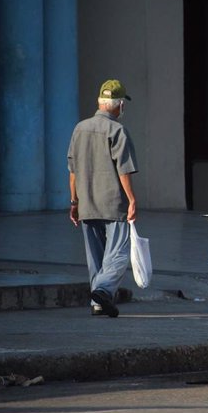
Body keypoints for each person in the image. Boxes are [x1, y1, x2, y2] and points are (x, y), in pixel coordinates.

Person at [67, 79, 138, 318]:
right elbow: (123, 170)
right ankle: (104, 291)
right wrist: (132, 200)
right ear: (118, 105)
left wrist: (74, 202)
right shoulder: (117, 131)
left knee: (95, 257)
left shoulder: (79, 129)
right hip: (112, 202)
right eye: (122, 105)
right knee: (118, 253)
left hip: (87, 202)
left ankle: (97, 303)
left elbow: (73, 171)